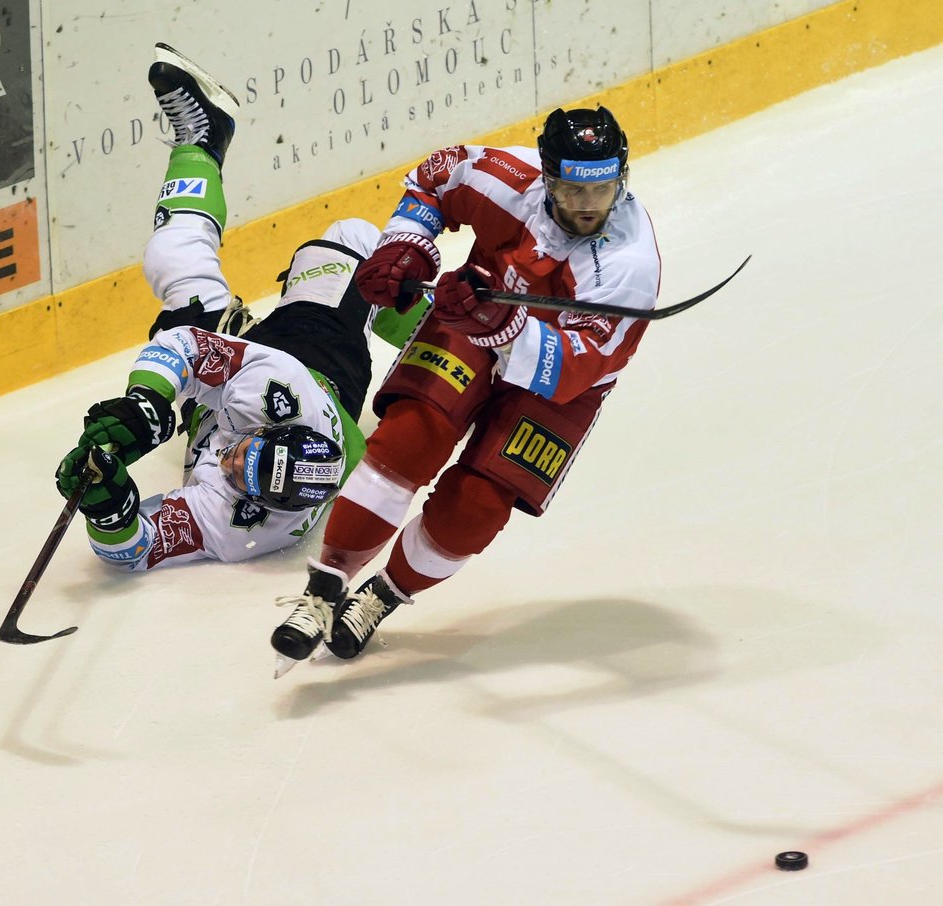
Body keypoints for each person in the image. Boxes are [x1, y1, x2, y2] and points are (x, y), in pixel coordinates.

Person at [270, 105, 662, 673]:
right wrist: (406, 246)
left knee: (476, 508)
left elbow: (578, 365)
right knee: (407, 440)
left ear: (620, 180)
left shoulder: (628, 265)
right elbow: (434, 177)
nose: (585, 205)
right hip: (471, 317)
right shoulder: (506, 178)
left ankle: (381, 597)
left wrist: (504, 328)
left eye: (601, 190)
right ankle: (325, 587)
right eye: (571, 188)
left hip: (560, 384)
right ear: (546, 176)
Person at [55, 44, 425, 571]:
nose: (227, 462)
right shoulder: (281, 389)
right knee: (355, 237)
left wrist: (110, 512)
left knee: (172, 256)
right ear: (274, 425)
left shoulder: (242, 528)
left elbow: (140, 549)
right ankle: (447, 339)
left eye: (236, 475)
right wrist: (146, 405)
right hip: (314, 354)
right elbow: (184, 350)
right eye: (243, 453)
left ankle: (202, 140)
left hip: (231, 390)